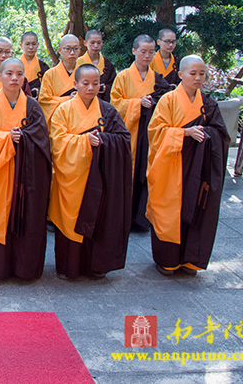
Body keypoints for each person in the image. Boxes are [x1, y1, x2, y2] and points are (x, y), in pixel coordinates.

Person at [147, 55, 229, 276]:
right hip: (172, 165)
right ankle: (168, 260)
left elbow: (221, 133)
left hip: (199, 166)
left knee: (198, 207)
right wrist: (184, 133)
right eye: (193, 73)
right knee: (169, 210)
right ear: (181, 74)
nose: (198, 78)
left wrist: (206, 133)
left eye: (202, 73)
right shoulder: (169, 100)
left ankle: (191, 259)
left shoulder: (208, 103)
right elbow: (155, 133)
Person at [48, 64, 132, 280]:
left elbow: (123, 139)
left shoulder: (108, 111)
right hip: (71, 178)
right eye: (85, 83)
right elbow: (57, 142)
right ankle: (69, 268)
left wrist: (103, 140)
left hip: (99, 178)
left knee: (97, 217)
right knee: (70, 220)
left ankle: (95, 266)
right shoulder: (63, 110)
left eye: (95, 83)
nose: (91, 88)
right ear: (75, 84)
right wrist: (85, 141)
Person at [0, 58, 51, 280]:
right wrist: (7, 138)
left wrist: (23, 138)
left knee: (25, 216)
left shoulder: (33, 106)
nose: (14, 78)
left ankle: (24, 269)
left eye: (19, 74)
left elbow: (42, 140)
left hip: (25, 175)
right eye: (8, 73)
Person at [110, 35, 171, 232]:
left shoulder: (157, 79)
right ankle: (124, 219)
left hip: (149, 136)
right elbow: (115, 104)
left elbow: (164, 103)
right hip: (130, 134)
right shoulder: (123, 77)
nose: (147, 56)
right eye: (143, 51)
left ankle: (142, 219)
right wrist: (137, 103)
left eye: (151, 52)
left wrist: (151, 104)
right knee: (127, 174)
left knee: (146, 173)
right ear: (134, 51)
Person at [38, 34, 81, 126]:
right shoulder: (49, 75)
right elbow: (44, 101)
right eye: (68, 49)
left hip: (80, 120)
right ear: (60, 50)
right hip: (58, 121)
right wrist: (68, 99)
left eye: (76, 49)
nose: (72, 52)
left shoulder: (85, 73)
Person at [76, 29, 116, 102]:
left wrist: (105, 88)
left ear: (102, 43)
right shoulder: (78, 63)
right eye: (92, 42)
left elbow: (115, 86)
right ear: (85, 43)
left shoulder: (107, 64)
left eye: (99, 43)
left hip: (103, 105)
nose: (96, 46)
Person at [19, 32, 50, 97]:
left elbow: (49, 89)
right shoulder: (15, 65)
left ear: (37, 45)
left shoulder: (43, 67)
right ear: (21, 45)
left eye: (34, 44)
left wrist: (40, 92)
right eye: (27, 44)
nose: (31, 47)